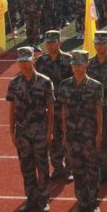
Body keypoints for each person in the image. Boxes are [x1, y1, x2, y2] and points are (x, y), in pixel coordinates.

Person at [6, 46, 54, 212]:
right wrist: (11, 132)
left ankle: (44, 198)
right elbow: (12, 109)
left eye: (26, 60)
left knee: (42, 165)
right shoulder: (14, 83)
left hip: (40, 131)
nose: (23, 64)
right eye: (20, 61)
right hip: (23, 133)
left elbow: (50, 107)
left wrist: (50, 130)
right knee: (26, 166)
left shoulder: (45, 81)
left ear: (33, 60)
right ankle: (31, 198)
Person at [58, 50, 103, 212]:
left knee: (92, 169)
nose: (77, 67)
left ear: (87, 64)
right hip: (72, 134)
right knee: (77, 169)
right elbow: (63, 110)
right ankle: (82, 201)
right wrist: (64, 133)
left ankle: (93, 202)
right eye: (74, 64)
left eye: (80, 63)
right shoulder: (64, 85)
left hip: (89, 134)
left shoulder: (95, 86)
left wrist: (99, 133)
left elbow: (99, 111)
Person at [33, 29, 72, 181]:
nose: (49, 45)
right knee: (53, 139)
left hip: (65, 106)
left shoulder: (69, 60)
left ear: (59, 42)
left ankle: (69, 169)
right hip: (49, 107)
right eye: (47, 42)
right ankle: (58, 168)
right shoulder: (41, 61)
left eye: (52, 42)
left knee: (68, 137)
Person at [86, 29, 107, 183]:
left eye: (103, 43)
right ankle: (102, 169)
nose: (99, 46)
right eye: (97, 43)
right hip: (96, 110)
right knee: (99, 140)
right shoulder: (89, 64)